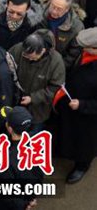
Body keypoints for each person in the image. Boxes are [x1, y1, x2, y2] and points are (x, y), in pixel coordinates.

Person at [55, 27, 97, 184]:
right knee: (69, 132)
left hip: (89, 116)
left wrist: (82, 105)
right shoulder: (84, 55)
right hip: (70, 102)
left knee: (85, 143)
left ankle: (82, 165)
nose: (81, 48)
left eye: (85, 46)